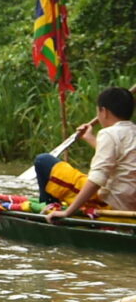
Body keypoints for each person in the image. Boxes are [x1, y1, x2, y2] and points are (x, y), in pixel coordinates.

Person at [41, 87, 136, 216]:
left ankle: (49, 206)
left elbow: (97, 180)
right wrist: (89, 137)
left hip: (111, 203)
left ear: (104, 112)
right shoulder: (131, 132)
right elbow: (118, 156)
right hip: (130, 202)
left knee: (43, 161)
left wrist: (68, 212)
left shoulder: (108, 133)